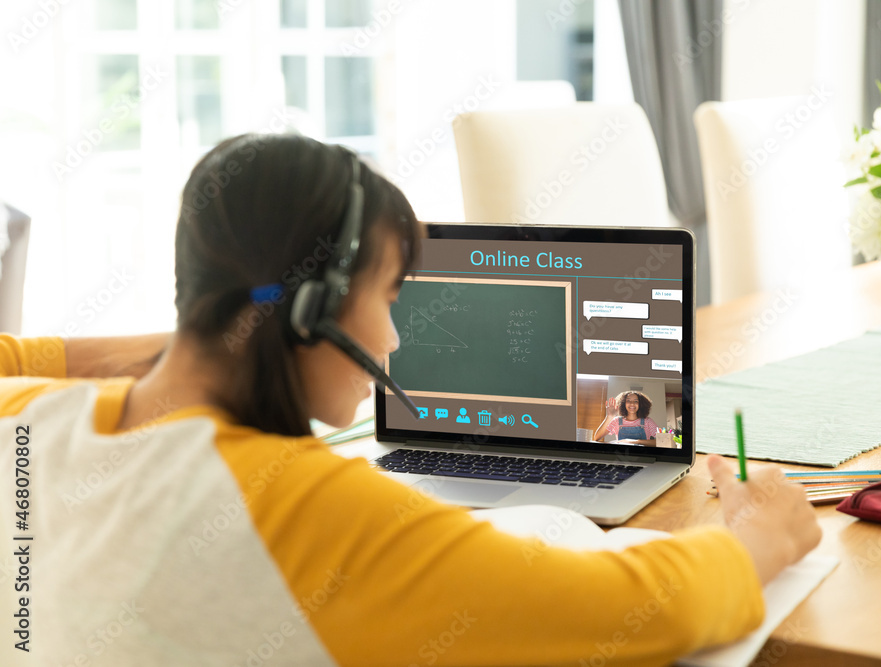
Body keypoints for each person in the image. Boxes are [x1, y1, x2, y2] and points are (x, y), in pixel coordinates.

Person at [0, 133, 821, 666]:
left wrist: (202, 340)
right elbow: (632, 609)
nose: (394, 340)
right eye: (390, 294)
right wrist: (759, 533)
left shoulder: (25, 418)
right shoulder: (297, 505)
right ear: (314, 307)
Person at [594, 390, 658, 445]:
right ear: (623, 404)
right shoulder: (616, 421)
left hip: (642, 457)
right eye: (628, 401)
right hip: (620, 458)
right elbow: (597, 438)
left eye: (636, 401)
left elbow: (660, 442)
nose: (632, 404)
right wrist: (610, 416)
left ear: (641, 404)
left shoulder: (648, 421)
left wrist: (635, 441)